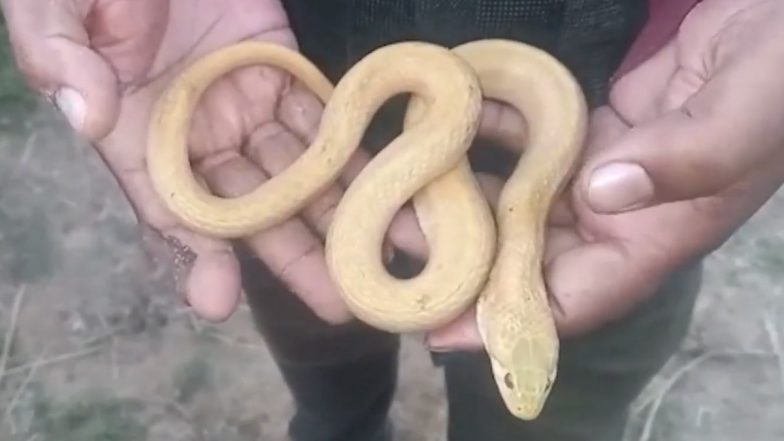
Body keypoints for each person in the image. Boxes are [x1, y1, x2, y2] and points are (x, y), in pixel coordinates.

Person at [2, 0, 782, 439]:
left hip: (621, 112)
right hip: (289, 78)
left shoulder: (534, 208)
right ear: (523, 315)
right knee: (317, 338)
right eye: (519, 367)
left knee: (559, 415)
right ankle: (337, 421)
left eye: (520, 370)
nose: (519, 377)